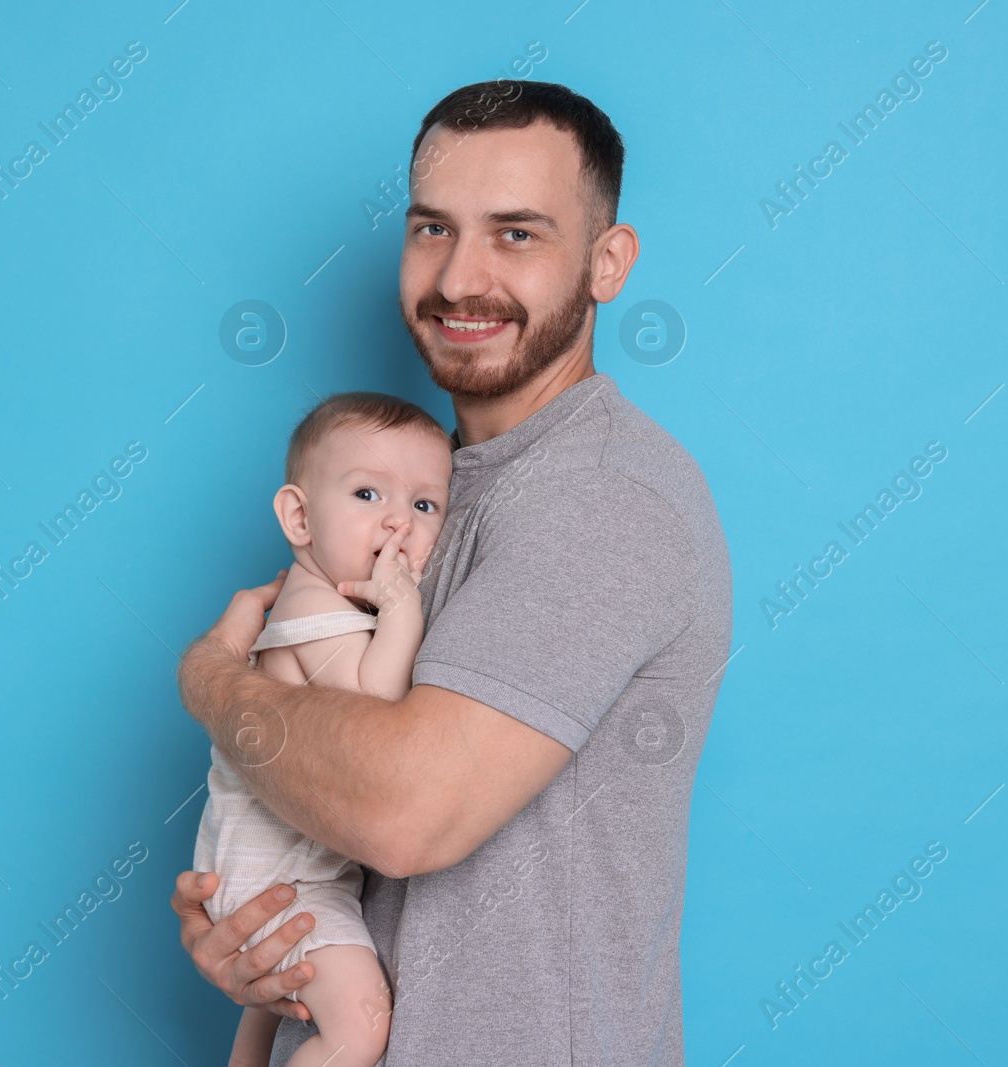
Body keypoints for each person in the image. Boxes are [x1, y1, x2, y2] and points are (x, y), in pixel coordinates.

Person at [173, 80, 732, 1065]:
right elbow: (346, 809)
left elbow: (402, 810)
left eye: (516, 235)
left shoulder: (598, 498)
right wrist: (264, 922)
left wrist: (214, 684)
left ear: (607, 263)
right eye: (434, 229)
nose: (460, 278)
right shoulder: (413, 494)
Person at [192, 391, 453, 1067]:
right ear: (299, 517)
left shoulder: (313, 600)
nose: (399, 521)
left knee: (268, 1023)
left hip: (268, 872)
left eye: (425, 505)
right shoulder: (313, 604)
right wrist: (402, 608)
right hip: (287, 881)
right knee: (358, 1031)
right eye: (369, 493)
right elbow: (376, 705)